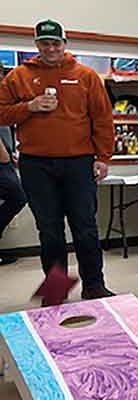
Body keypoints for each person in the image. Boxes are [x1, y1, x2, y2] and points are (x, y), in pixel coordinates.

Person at [0, 19, 115, 299]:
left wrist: (103, 157)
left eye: (55, 43)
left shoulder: (86, 76)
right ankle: (56, 290)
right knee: (49, 230)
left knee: (85, 227)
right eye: (44, 43)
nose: (50, 48)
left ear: (64, 44)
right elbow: (1, 112)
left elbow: (102, 118)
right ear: (36, 45)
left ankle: (93, 286)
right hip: (36, 164)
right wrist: (29, 106)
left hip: (79, 163)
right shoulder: (18, 77)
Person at [0, 65, 27, 266]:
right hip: (1, 161)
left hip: (7, 156)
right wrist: (4, 156)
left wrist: (11, 153)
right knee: (18, 196)